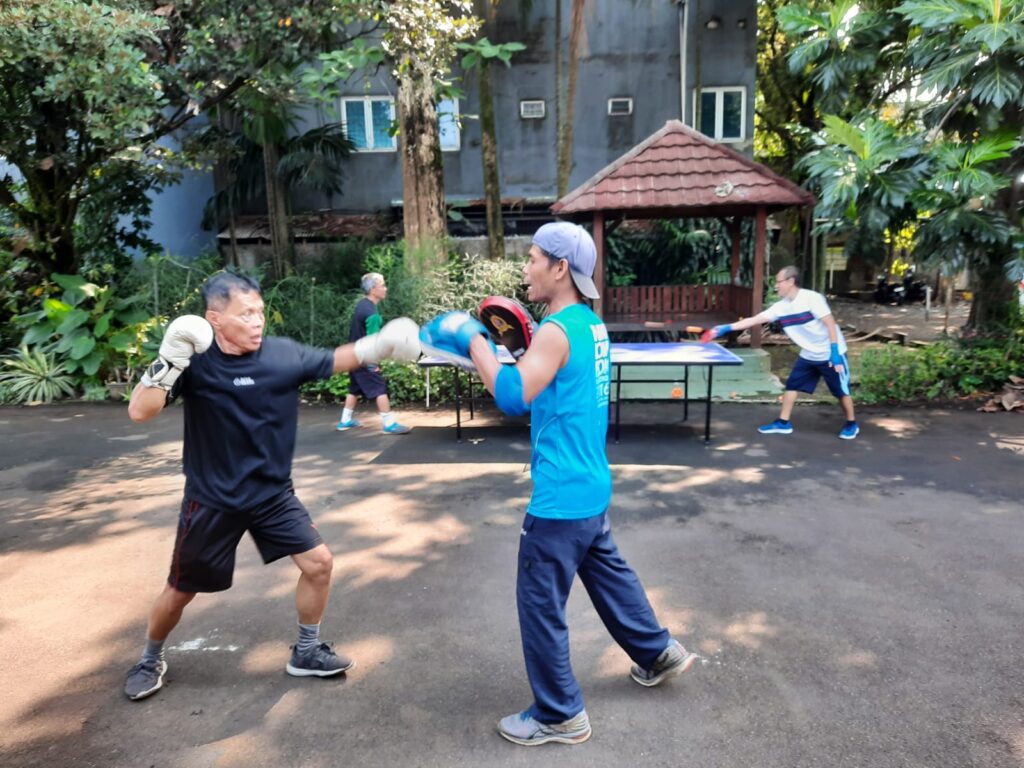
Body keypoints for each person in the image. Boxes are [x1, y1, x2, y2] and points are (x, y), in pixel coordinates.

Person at [420, 222, 697, 747]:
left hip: (559, 499)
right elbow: (552, 384)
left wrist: (473, 341)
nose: (526, 268)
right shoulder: (591, 325)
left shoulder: (555, 331)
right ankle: (658, 652)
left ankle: (559, 713)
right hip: (590, 486)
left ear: (560, 267)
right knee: (611, 579)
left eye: (533, 259)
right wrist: (515, 349)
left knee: (540, 605)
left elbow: (512, 397)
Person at [123, 272, 420, 701]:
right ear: (214, 319)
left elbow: (335, 359)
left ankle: (306, 651)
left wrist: (380, 345)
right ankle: (150, 658)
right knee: (181, 590)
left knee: (319, 564)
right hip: (212, 500)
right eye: (245, 314)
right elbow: (140, 411)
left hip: (272, 495)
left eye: (259, 312)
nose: (257, 321)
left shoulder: (281, 354)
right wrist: (169, 360)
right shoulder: (196, 363)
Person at [703, 265, 859, 439]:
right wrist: (725, 328)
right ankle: (783, 423)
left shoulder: (811, 298)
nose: (776, 286)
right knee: (792, 385)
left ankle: (851, 423)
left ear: (791, 281)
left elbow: (830, 323)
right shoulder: (780, 308)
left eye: (779, 282)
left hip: (830, 352)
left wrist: (835, 352)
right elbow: (755, 320)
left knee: (841, 391)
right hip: (809, 354)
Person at [335, 272, 411, 435]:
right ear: (372, 290)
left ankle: (345, 420)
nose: (385, 288)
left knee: (354, 388)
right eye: (382, 285)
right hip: (364, 356)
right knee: (379, 387)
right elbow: (373, 342)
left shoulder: (362, 305)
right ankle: (389, 424)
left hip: (353, 354)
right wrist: (373, 364)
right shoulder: (371, 314)